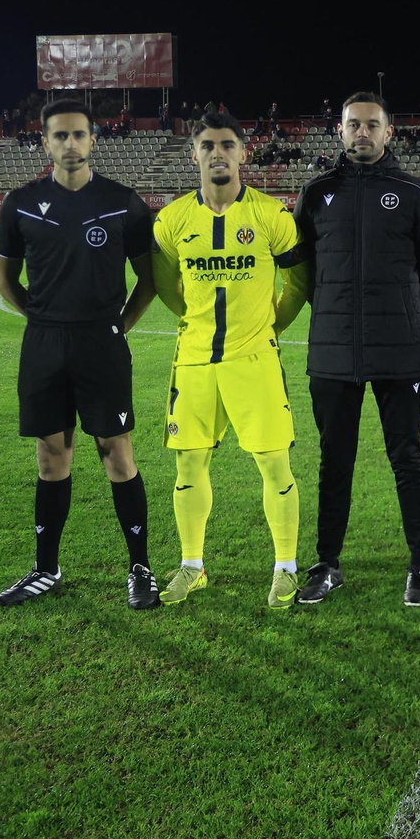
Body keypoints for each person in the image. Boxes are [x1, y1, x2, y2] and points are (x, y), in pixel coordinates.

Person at [276, 91, 420, 606]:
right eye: (354, 125)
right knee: (335, 460)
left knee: (407, 456)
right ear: (340, 131)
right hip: (332, 353)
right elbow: (301, 269)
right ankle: (327, 563)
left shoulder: (414, 193)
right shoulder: (316, 192)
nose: (362, 133)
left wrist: (408, 317)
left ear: (388, 132)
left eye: (373, 125)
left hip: (398, 352)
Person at [0, 98, 161, 609]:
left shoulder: (122, 201)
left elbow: (148, 280)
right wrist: (41, 320)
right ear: (44, 141)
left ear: (93, 140)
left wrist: (119, 327)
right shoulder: (19, 201)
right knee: (50, 458)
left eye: (79, 135)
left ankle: (140, 568)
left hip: (101, 343)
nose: (70, 144)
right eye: (59, 135)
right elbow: (4, 277)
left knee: (117, 454)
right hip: (44, 345)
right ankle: (46, 569)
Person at [149, 112, 306, 609]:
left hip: (254, 359)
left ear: (244, 153)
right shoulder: (171, 220)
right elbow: (163, 285)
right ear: (193, 153)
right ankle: (191, 566)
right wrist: (197, 320)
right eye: (208, 145)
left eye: (228, 144)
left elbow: (299, 284)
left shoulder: (271, 216)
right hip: (194, 361)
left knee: (273, 463)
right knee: (189, 464)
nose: (218, 152)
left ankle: (286, 568)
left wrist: (270, 327)